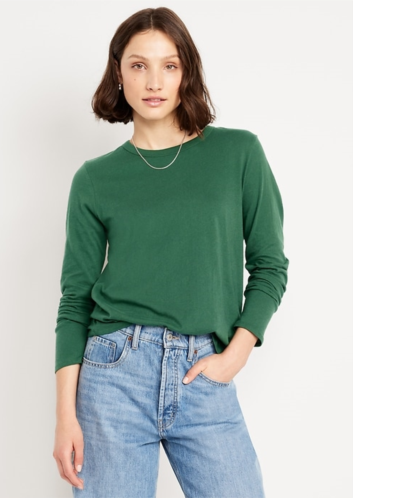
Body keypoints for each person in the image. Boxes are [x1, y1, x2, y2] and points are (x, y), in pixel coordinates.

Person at [52, 7, 288, 498]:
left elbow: (269, 265)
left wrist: (237, 353)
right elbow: (75, 301)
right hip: (113, 374)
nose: (154, 81)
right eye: (139, 65)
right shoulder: (95, 179)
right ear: (118, 72)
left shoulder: (238, 153)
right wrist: (65, 416)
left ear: (187, 73)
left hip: (204, 371)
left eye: (170, 65)